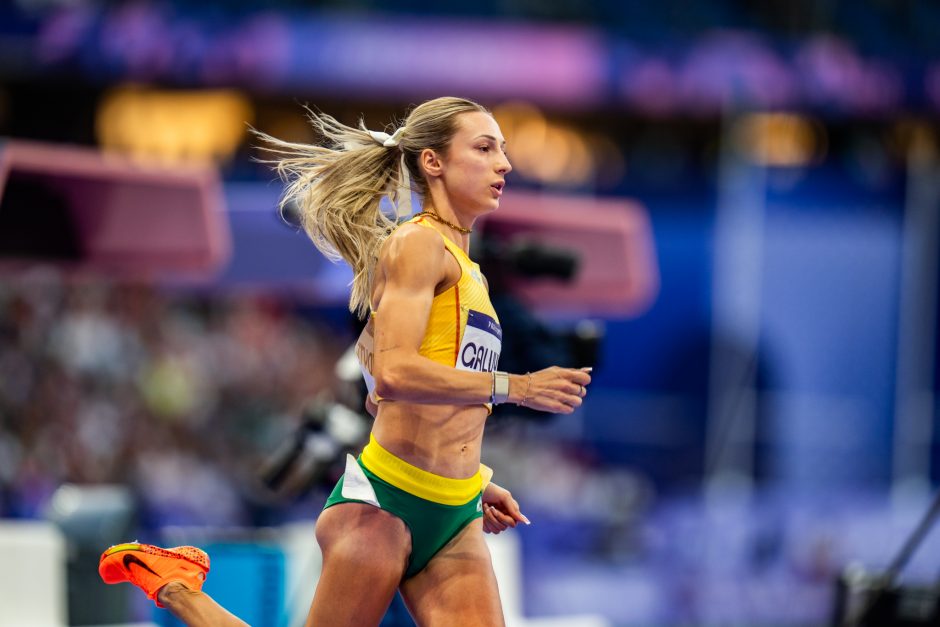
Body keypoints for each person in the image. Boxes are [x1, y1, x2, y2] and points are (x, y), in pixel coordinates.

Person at [99, 96, 592, 626]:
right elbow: (395, 375)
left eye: (503, 150)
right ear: (433, 162)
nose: (504, 163)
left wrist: (472, 479)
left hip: (456, 510)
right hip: (384, 504)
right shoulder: (415, 246)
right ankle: (174, 583)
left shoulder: (471, 273)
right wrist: (515, 386)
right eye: (484, 147)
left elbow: (385, 399)